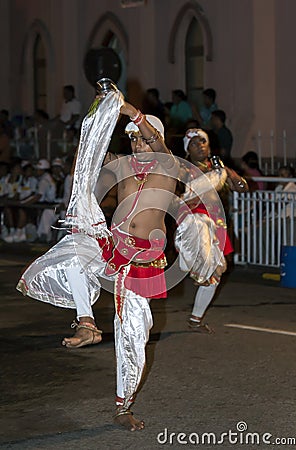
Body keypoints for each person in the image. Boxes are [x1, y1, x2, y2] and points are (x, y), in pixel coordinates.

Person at [16, 81, 179, 431]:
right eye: (132, 137)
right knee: (73, 249)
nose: (137, 142)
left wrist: (132, 112)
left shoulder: (167, 169)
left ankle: (123, 407)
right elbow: (89, 157)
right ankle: (87, 322)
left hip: (142, 261)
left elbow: (158, 144)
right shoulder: (121, 165)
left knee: (135, 335)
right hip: (111, 245)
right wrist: (98, 120)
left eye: (142, 137)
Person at [174, 128, 248, 332]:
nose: (200, 145)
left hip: (216, 223)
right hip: (194, 222)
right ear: (187, 149)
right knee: (206, 267)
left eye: (202, 141)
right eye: (194, 143)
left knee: (217, 273)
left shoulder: (218, 169)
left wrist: (226, 171)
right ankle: (194, 264)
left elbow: (242, 187)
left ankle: (195, 319)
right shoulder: (183, 169)